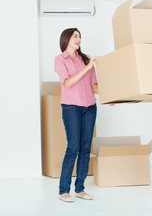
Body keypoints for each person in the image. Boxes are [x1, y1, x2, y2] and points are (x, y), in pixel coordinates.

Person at [54, 28, 98, 203]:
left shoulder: (86, 58)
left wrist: (110, 95)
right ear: (66, 39)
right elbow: (68, 82)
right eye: (75, 36)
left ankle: (80, 188)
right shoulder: (59, 60)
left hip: (90, 107)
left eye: (80, 36)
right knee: (73, 148)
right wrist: (87, 67)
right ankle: (64, 190)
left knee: (86, 149)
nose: (78, 39)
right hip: (71, 108)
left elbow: (94, 86)